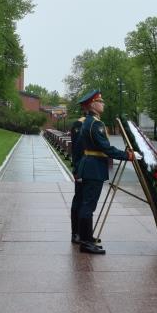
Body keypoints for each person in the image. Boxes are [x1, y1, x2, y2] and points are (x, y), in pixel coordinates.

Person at [75, 90, 134, 254]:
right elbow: (105, 148)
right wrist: (126, 155)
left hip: (91, 166)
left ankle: (87, 237)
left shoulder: (89, 122)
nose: (103, 104)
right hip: (94, 168)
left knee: (88, 204)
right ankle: (86, 243)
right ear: (93, 105)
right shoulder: (95, 124)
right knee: (88, 205)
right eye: (100, 101)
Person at [68, 98, 88, 245]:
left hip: (90, 169)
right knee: (79, 200)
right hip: (82, 169)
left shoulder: (91, 123)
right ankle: (76, 233)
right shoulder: (79, 124)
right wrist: (77, 170)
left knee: (86, 202)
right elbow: (77, 150)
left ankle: (85, 233)